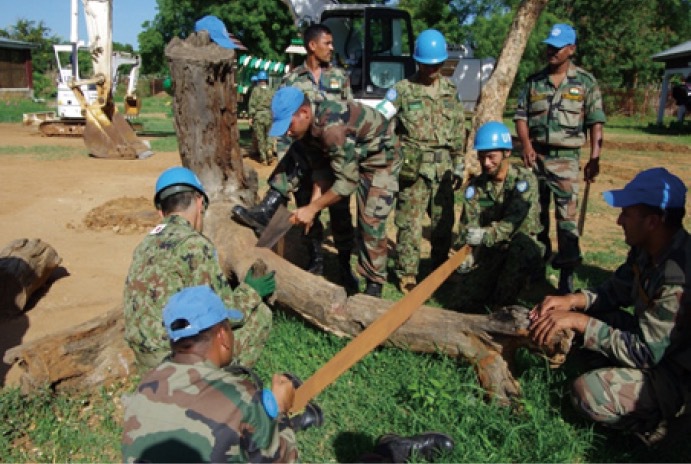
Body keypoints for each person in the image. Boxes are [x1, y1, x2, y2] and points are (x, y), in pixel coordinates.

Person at [122, 286, 455, 462]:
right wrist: (277, 413)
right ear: (222, 334)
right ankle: (390, 452)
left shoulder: (145, 387)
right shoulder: (239, 397)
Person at [529, 167, 691, 444]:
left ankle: (663, 424)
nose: (618, 220)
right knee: (589, 317)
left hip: (678, 373)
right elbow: (616, 291)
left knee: (589, 393)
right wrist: (572, 301)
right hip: (657, 350)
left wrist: (580, 322)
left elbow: (646, 353)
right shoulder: (647, 249)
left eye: (626, 213)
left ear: (653, 222)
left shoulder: (679, 276)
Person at [232, 23, 357, 293]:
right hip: (304, 156)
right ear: (312, 45)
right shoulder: (291, 79)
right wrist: (286, 157)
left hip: (334, 151)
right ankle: (316, 261)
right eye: (327, 43)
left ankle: (346, 267)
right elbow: (284, 121)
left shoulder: (339, 76)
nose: (332, 48)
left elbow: (348, 114)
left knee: (340, 212)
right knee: (306, 209)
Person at [123, 166, 275, 370]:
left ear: (160, 211)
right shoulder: (195, 244)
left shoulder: (144, 244)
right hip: (174, 357)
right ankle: (218, 382)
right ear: (199, 202)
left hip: (143, 357)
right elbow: (225, 314)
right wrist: (252, 291)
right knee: (261, 315)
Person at [267, 86, 401, 298]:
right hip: (350, 154)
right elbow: (321, 170)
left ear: (304, 113)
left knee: (370, 221)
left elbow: (346, 183)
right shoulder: (308, 130)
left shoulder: (332, 129)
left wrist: (313, 208)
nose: (287, 132)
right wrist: (313, 204)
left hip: (380, 160)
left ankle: (374, 285)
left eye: (289, 125)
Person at [514, 23, 606, 294]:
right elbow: (521, 117)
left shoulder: (585, 82)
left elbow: (596, 122)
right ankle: (537, 270)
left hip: (567, 160)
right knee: (535, 217)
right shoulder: (534, 81)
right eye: (549, 46)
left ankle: (567, 275)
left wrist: (595, 158)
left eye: (558, 47)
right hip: (536, 158)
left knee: (567, 220)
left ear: (571, 49)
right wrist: (526, 145)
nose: (551, 51)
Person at [390, 29, 466, 295]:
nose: (432, 69)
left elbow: (458, 128)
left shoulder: (450, 91)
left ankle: (439, 270)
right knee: (409, 225)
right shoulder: (402, 91)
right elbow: (383, 124)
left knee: (443, 223)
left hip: (443, 170)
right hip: (413, 170)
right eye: (427, 64)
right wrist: (393, 155)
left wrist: (459, 162)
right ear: (417, 62)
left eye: (437, 64)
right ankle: (407, 273)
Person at [452, 122, 543, 311]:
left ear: (506, 153)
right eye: (482, 156)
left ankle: (519, 289)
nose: (486, 163)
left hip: (518, 247)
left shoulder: (524, 182)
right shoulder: (476, 187)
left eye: (491, 157)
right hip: (490, 248)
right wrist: (465, 253)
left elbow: (512, 223)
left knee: (503, 295)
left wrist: (484, 235)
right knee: (465, 300)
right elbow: (468, 225)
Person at [249, 70, 276, 165]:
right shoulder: (271, 91)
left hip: (258, 116)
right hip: (269, 115)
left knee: (260, 138)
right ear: (266, 80)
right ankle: (269, 149)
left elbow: (252, 104)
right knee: (269, 135)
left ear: (259, 80)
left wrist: (251, 117)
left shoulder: (255, 90)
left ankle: (263, 158)